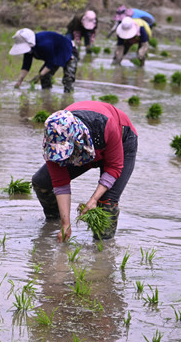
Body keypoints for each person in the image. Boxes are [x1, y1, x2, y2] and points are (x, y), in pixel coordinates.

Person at [31, 101, 138, 241]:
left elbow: (114, 168)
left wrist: (94, 200)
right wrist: (65, 224)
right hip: (83, 152)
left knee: (106, 202)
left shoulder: (105, 125)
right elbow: (60, 182)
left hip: (121, 141)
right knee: (42, 182)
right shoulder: (53, 138)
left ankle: (103, 251)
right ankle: (53, 223)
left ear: (75, 138)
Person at [10, 28, 77, 93]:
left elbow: (51, 62)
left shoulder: (44, 44)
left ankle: (68, 98)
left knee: (68, 78)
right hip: (54, 55)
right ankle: (47, 95)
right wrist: (19, 81)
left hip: (69, 51)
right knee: (45, 76)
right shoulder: (29, 49)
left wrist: (39, 76)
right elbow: (26, 65)